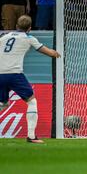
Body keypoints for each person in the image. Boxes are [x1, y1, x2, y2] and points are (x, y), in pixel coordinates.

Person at [0, 15, 60, 143]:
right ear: (30, 28)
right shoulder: (29, 38)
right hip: (15, 74)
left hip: (0, 74)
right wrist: (56, 53)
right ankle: (31, 136)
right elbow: (48, 52)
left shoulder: (4, 37)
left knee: (3, 103)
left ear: (16, 26)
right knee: (31, 102)